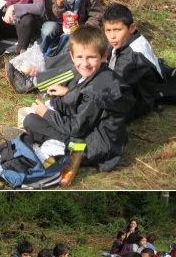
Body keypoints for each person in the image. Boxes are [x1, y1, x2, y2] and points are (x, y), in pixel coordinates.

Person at [23, 25, 134, 172]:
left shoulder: (95, 92)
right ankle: (41, 136)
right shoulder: (103, 75)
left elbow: (75, 129)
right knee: (56, 103)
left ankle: (47, 143)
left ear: (104, 56)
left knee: (31, 121)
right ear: (72, 57)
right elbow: (82, 99)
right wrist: (65, 94)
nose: (85, 63)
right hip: (103, 138)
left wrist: (46, 114)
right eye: (80, 57)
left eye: (91, 57)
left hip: (92, 149)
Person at [103, 3, 164, 121]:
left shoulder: (131, 57)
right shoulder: (131, 38)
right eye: (108, 30)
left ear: (132, 28)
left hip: (138, 102)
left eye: (117, 30)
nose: (112, 36)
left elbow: (114, 89)